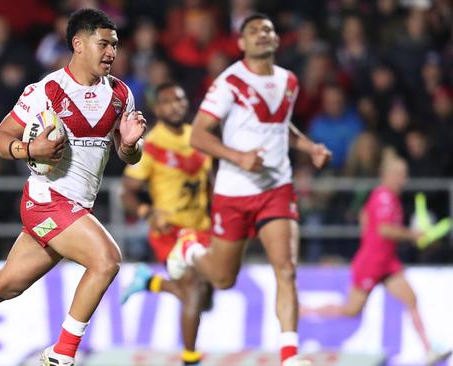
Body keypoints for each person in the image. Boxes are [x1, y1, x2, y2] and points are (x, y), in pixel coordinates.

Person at [0, 8, 147, 366]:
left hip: (76, 208)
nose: (112, 52)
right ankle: (61, 356)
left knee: (7, 285)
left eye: (114, 45)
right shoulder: (48, 90)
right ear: (78, 44)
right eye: (104, 44)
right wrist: (29, 149)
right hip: (47, 202)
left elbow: (130, 157)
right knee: (107, 259)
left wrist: (129, 145)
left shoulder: (120, 94)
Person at [166, 13, 332, 366]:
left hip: (277, 187)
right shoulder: (229, 83)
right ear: (241, 43)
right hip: (234, 191)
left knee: (286, 269)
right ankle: (191, 249)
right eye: (253, 31)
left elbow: (279, 126)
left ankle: (290, 356)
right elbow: (198, 134)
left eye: (268, 30)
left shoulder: (289, 81)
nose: (262, 34)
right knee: (224, 279)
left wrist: (309, 148)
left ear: (275, 40)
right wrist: (238, 157)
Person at [301, 155, 452, 366]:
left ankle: (428, 350)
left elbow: (365, 216)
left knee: (411, 299)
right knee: (351, 310)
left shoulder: (388, 197)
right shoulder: (383, 197)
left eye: (404, 175)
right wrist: (412, 235)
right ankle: (304, 311)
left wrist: (370, 237)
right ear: (386, 175)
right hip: (371, 264)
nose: (404, 180)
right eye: (400, 175)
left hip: (387, 262)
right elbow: (384, 229)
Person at [120, 82, 213, 366]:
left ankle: (150, 281)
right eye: (168, 102)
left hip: (201, 227)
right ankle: (190, 359)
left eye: (180, 100)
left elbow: (209, 183)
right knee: (193, 292)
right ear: (158, 108)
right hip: (169, 231)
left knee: (205, 299)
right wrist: (149, 213)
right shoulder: (150, 144)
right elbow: (127, 193)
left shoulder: (198, 137)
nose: (175, 106)